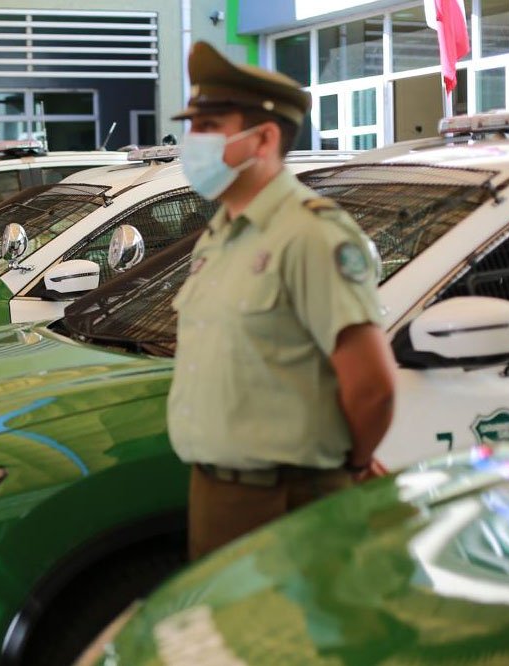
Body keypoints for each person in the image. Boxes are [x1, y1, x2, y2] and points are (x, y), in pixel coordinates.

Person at [167, 42, 396, 560]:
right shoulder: (223, 233)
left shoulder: (311, 235)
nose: (192, 142)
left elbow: (373, 387)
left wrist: (348, 468)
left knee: (288, 641)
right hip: (217, 494)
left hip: (286, 500)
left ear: (263, 138)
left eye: (208, 127)